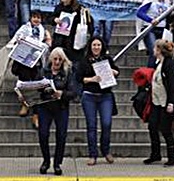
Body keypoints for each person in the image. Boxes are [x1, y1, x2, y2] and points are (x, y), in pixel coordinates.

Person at [143, 39, 174, 167]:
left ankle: (172, 157)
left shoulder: (169, 65)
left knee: (166, 130)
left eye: (154, 48)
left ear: (159, 50)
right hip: (156, 102)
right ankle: (155, 154)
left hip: (166, 102)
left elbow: (173, 86)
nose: (153, 50)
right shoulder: (159, 63)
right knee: (152, 126)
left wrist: (171, 103)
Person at [76, 36, 120, 166]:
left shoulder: (107, 59)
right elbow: (79, 78)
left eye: (98, 45)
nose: (96, 47)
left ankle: (105, 150)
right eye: (94, 45)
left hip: (105, 96)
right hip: (89, 96)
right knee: (91, 126)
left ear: (102, 47)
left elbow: (118, 71)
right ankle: (93, 154)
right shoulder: (84, 61)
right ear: (90, 46)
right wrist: (92, 79)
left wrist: (114, 72)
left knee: (107, 123)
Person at [36, 47, 77, 176]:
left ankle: (57, 163)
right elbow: (36, 88)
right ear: (51, 59)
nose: (57, 62)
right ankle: (46, 161)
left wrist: (62, 94)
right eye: (55, 59)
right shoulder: (43, 71)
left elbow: (73, 92)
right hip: (45, 107)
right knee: (43, 134)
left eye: (60, 59)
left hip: (61, 107)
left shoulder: (67, 73)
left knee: (61, 136)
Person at [10, 10, 52, 120]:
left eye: (38, 17)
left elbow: (47, 46)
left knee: (35, 85)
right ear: (30, 18)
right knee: (24, 83)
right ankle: (24, 104)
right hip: (23, 61)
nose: (36, 19)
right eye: (34, 17)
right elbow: (15, 40)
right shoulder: (24, 28)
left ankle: (35, 113)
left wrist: (45, 43)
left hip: (36, 62)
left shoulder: (44, 31)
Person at [51, 0, 94, 65]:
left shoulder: (80, 9)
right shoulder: (59, 8)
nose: (63, 0)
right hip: (60, 40)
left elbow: (89, 23)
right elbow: (51, 18)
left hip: (74, 42)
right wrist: (55, 19)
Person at [136, 0, 173, 68]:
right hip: (150, 29)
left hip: (162, 29)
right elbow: (139, 13)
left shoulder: (167, 1)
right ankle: (150, 74)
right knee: (154, 51)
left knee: (163, 52)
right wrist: (150, 20)